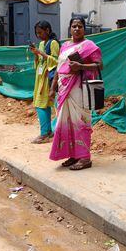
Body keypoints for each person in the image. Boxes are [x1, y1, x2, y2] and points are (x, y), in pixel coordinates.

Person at [49, 17, 102, 170]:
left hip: (79, 89)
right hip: (63, 89)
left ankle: (84, 158)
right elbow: (59, 68)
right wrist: (53, 88)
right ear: (70, 28)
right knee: (67, 122)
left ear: (84, 29)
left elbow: (100, 65)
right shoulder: (65, 45)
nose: (77, 29)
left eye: (80, 26)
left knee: (80, 122)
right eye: (74, 26)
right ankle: (73, 155)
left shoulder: (89, 45)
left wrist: (81, 66)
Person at [30, 20, 59, 144]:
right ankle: (47, 131)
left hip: (48, 78)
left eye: (40, 32)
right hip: (40, 77)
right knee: (41, 103)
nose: (38, 35)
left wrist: (40, 53)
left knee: (42, 104)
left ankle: (45, 133)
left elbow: (57, 61)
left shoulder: (53, 43)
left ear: (47, 30)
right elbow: (40, 61)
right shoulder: (41, 43)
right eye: (37, 33)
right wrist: (36, 54)